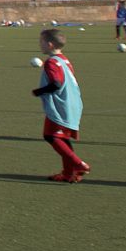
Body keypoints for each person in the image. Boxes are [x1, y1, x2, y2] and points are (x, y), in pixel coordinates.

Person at [34, 29, 88, 182]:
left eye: (41, 42)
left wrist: (39, 91)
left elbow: (57, 83)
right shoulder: (65, 59)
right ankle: (68, 174)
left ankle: (79, 164)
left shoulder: (51, 62)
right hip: (73, 102)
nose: (40, 45)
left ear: (50, 45)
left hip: (60, 106)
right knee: (62, 138)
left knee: (50, 136)